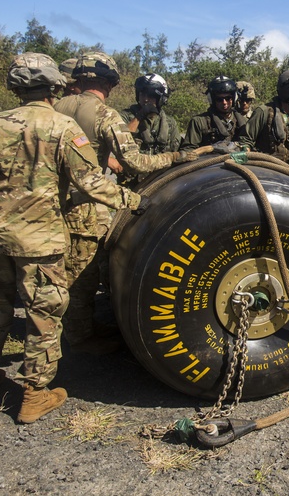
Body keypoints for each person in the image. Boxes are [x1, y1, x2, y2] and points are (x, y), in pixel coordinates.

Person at [0, 52, 144, 424]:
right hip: (40, 242)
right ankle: (33, 395)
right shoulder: (62, 128)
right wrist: (134, 200)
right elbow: (89, 182)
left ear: (13, 85)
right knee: (44, 313)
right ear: (55, 85)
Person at [54, 52, 205, 354]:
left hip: (55, 200)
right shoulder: (106, 114)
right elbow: (132, 161)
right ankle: (79, 336)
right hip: (86, 202)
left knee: (62, 268)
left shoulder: (57, 107)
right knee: (83, 274)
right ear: (110, 83)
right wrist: (175, 159)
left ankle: (74, 326)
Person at [238, 69, 289, 166]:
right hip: (266, 171)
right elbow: (245, 141)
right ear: (288, 91)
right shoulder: (264, 112)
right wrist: (242, 165)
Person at [119, 73, 180, 155]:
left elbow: (176, 151)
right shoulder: (125, 116)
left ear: (161, 99)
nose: (146, 99)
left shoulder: (170, 123)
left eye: (151, 96)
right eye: (142, 95)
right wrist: (139, 116)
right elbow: (121, 141)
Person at [181, 76, 240, 150]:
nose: (224, 102)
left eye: (228, 98)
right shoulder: (199, 122)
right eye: (219, 99)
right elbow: (188, 150)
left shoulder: (243, 122)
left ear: (234, 98)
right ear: (212, 100)